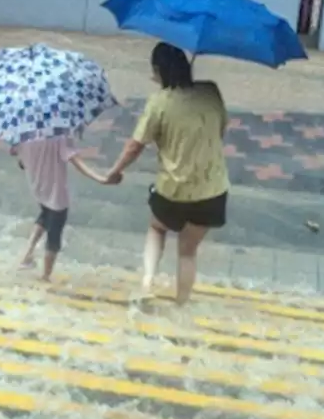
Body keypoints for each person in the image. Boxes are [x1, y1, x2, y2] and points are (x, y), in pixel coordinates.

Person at [104, 43, 229, 304]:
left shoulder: (159, 102)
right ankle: (181, 306)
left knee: (157, 228)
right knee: (187, 253)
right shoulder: (211, 92)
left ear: (158, 71)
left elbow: (134, 146)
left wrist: (115, 172)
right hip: (212, 191)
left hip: (172, 190)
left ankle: (148, 282)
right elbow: (220, 129)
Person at [12, 134, 114, 281]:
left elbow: (21, 163)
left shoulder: (25, 135)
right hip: (56, 193)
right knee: (54, 236)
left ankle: (27, 254)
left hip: (38, 187)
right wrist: (101, 178)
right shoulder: (60, 137)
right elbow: (77, 162)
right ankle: (45, 276)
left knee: (45, 214)